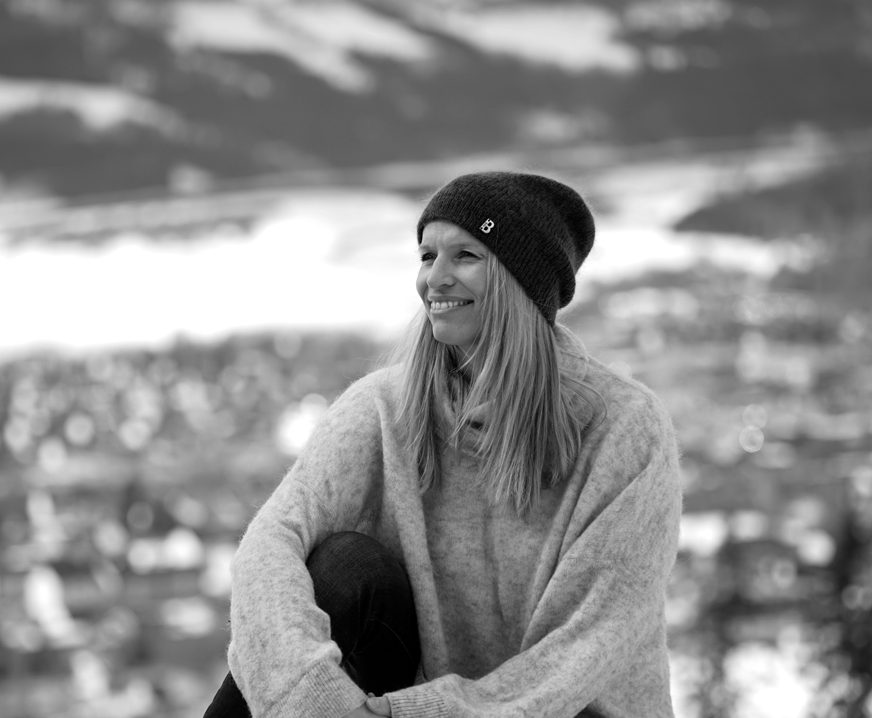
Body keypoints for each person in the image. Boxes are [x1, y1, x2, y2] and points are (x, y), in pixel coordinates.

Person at [204, 172, 683, 718]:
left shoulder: (625, 430)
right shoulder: (385, 407)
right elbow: (270, 542)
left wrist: (409, 713)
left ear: (522, 282)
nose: (435, 278)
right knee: (344, 569)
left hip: (565, 711)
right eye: (428, 256)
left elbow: (581, 651)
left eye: (466, 255)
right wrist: (316, 697)